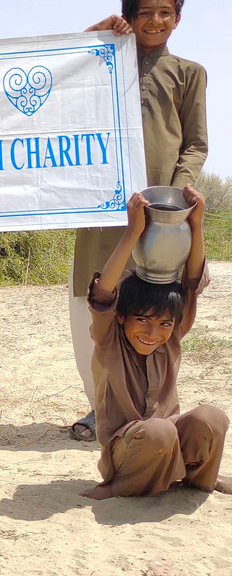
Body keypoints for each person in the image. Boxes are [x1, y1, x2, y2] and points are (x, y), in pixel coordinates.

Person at [69, 0, 208, 441]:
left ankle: (153, 408)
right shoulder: (106, 65)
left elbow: (195, 143)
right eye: (145, 12)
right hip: (106, 212)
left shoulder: (189, 73)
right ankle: (100, 408)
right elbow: (58, 71)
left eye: (165, 13)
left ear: (177, 19)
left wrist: (177, 193)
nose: (155, 21)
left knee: (154, 314)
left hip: (164, 218)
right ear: (129, 15)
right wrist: (99, 33)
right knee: (97, 308)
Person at [80, 186, 229, 499]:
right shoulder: (111, 342)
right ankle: (118, 487)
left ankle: (200, 480)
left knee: (210, 417)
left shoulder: (170, 339)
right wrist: (134, 232)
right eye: (143, 320)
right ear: (122, 317)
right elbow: (103, 294)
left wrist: (196, 225)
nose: (152, 333)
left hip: (167, 440)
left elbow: (191, 284)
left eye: (164, 323)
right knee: (159, 431)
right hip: (127, 452)